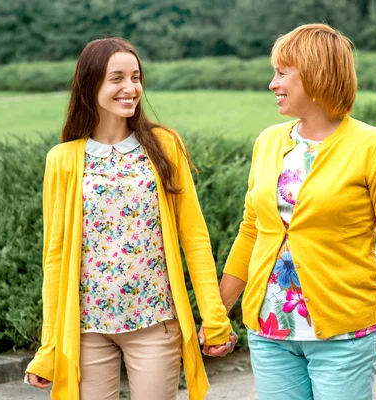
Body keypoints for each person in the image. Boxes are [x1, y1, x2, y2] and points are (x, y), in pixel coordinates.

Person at [215, 24, 376, 399]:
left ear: (315, 75)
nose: (272, 84)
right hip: (270, 330)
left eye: (282, 73)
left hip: (343, 336)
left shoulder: (374, 146)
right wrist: (218, 311)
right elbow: (251, 231)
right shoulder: (268, 142)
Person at [24, 37, 236, 400]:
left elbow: (194, 237)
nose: (130, 88)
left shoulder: (164, 146)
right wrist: (49, 348)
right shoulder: (63, 160)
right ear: (90, 86)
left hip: (155, 323)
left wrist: (214, 318)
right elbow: (55, 257)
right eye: (117, 78)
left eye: (135, 77)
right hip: (87, 328)